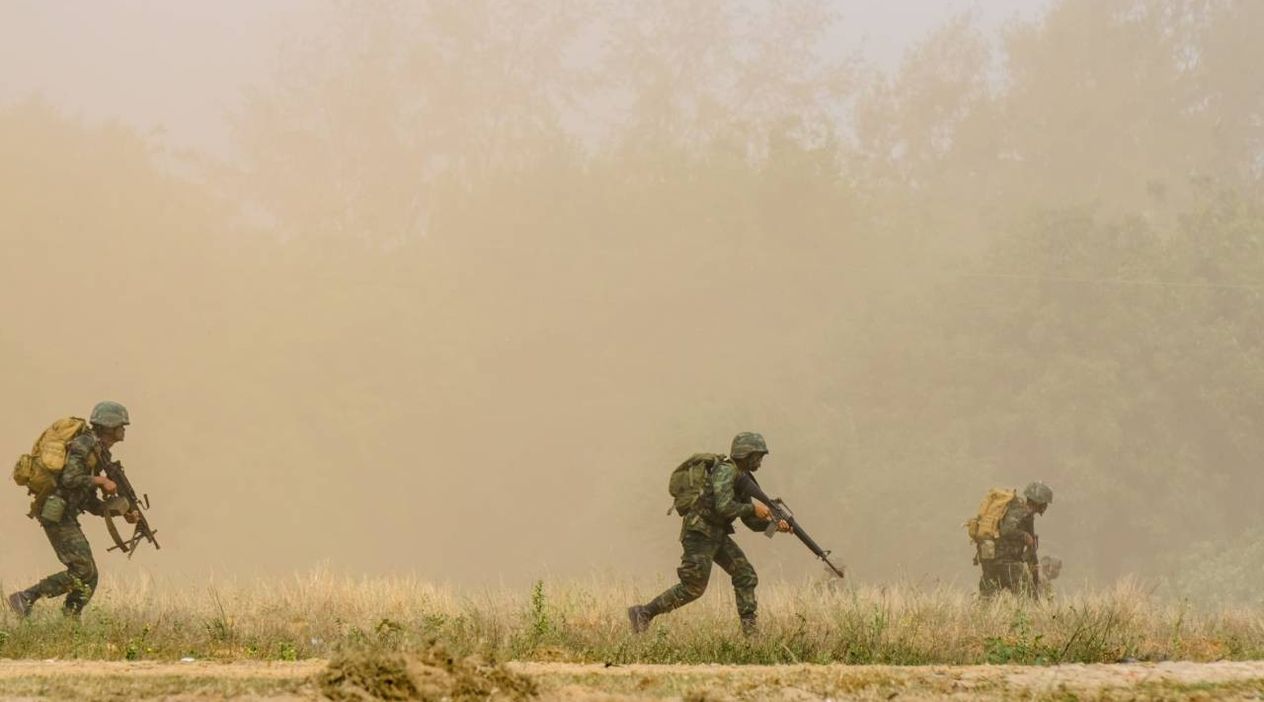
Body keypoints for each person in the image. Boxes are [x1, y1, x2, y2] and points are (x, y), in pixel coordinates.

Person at [628, 432, 790, 635]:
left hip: (716, 534)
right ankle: (643, 613)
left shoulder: (744, 477)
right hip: (699, 533)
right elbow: (724, 507)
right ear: (747, 454)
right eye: (758, 456)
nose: (760, 461)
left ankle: (751, 635)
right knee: (693, 587)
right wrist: (753, 509)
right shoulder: (725, 471)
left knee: (745, 575)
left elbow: (749, 521)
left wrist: (773, 525)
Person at [8, 401, 140, 618]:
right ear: (109, 426)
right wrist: (100, 480)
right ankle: (26, 597)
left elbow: (90, 501)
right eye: (120, 425)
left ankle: (70, 619)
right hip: (57, 514)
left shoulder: (97, 451)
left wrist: (121, 511)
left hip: (67, 514)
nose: (123, 429)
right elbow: (70, 479)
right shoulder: (84, 444)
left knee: (89, 575)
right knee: (83, 570)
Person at [979, 481, 1052, 599]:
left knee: (987, 601)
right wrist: (1024, 535)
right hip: (1007, 564)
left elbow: (1031, 552)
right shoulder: (1021, 510)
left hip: (991, 563)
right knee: (1029, 600)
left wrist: (1035, 577)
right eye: (1045, 503)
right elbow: (1006, 530)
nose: (1046, 507)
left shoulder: (1025, 515)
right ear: (1040, 502)